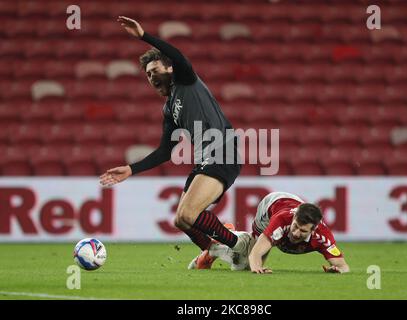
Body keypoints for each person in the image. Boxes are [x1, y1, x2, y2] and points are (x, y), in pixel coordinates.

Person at [99, 16, 249, 258]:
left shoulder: (186, 80)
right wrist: (130, 169)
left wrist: (144, 37)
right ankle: (213, 251)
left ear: (169, 68)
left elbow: (178, 56)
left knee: (189, 215)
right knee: (181, 221)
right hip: (205, 159)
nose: (151, 76)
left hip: (222, 152)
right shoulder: (169, 109)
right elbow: (164, 151)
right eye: (148, 74)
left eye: (154, 69)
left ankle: (241, 245)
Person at [189, 192, 350, 274]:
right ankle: (219, 245)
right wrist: (257, 268)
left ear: (313, 229)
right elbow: (256, 254)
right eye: (295, 226)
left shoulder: (322, 237)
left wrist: (336, 270)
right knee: (245, 264)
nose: (296, 233)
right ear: (294, 218)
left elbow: (343, 266)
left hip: (288, 205)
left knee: (240, 267)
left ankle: (228, 237)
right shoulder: (281, 222)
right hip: (270, 206)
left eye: (303, 230)